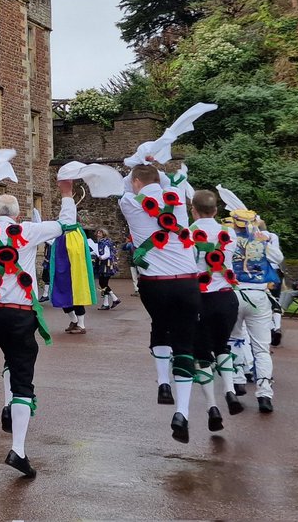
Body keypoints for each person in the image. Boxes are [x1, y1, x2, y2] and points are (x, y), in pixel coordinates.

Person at [0, 178, 77, 479]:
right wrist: (67, 193)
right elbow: (67, 225)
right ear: (18, 216)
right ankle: (18, 450)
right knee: (23, 374)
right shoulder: (30, 232)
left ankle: (7, 405)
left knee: (10, 354)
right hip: (20, 314)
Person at [119, 163, 200, 442]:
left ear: (137, 182)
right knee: (185, 341)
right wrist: (155, 166)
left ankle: (163, 382)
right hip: (187, 280)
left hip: (154, 283)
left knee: (160, 324)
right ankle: (183, 411)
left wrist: (135, 168)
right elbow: (168, 181)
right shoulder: (177, 198)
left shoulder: (129, 203)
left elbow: (126, 186)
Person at [188, 190, 240, 429]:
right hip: (227, 298)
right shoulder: (229, 233)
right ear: (216, 210)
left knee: (201, 355)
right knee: (222, 345)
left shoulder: (186, 234)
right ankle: (229, 389)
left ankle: (212, 407)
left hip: (201, 299)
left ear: (193, 209)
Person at [227, 206, 283, 414]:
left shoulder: (228, 239)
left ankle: (237, 379)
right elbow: (278, 260)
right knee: (261, 347)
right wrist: (264, 241)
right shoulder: (262, 239)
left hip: (234, 293)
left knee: (234, 338)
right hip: (259, 295)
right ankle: (264, 393)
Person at [91, 228, 120, 310]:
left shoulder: (106, 242)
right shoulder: (100, 243)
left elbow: (107, 254)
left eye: (100, 232)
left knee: (103, 283)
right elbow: (97, 251)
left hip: (106, 265)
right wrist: (88, 253)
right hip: (102, 265)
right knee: (102, 284)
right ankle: (106, 304)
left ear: (104, 234)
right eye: (98, 232)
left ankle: (115, 298)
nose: (98, 234)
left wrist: (101, 257)